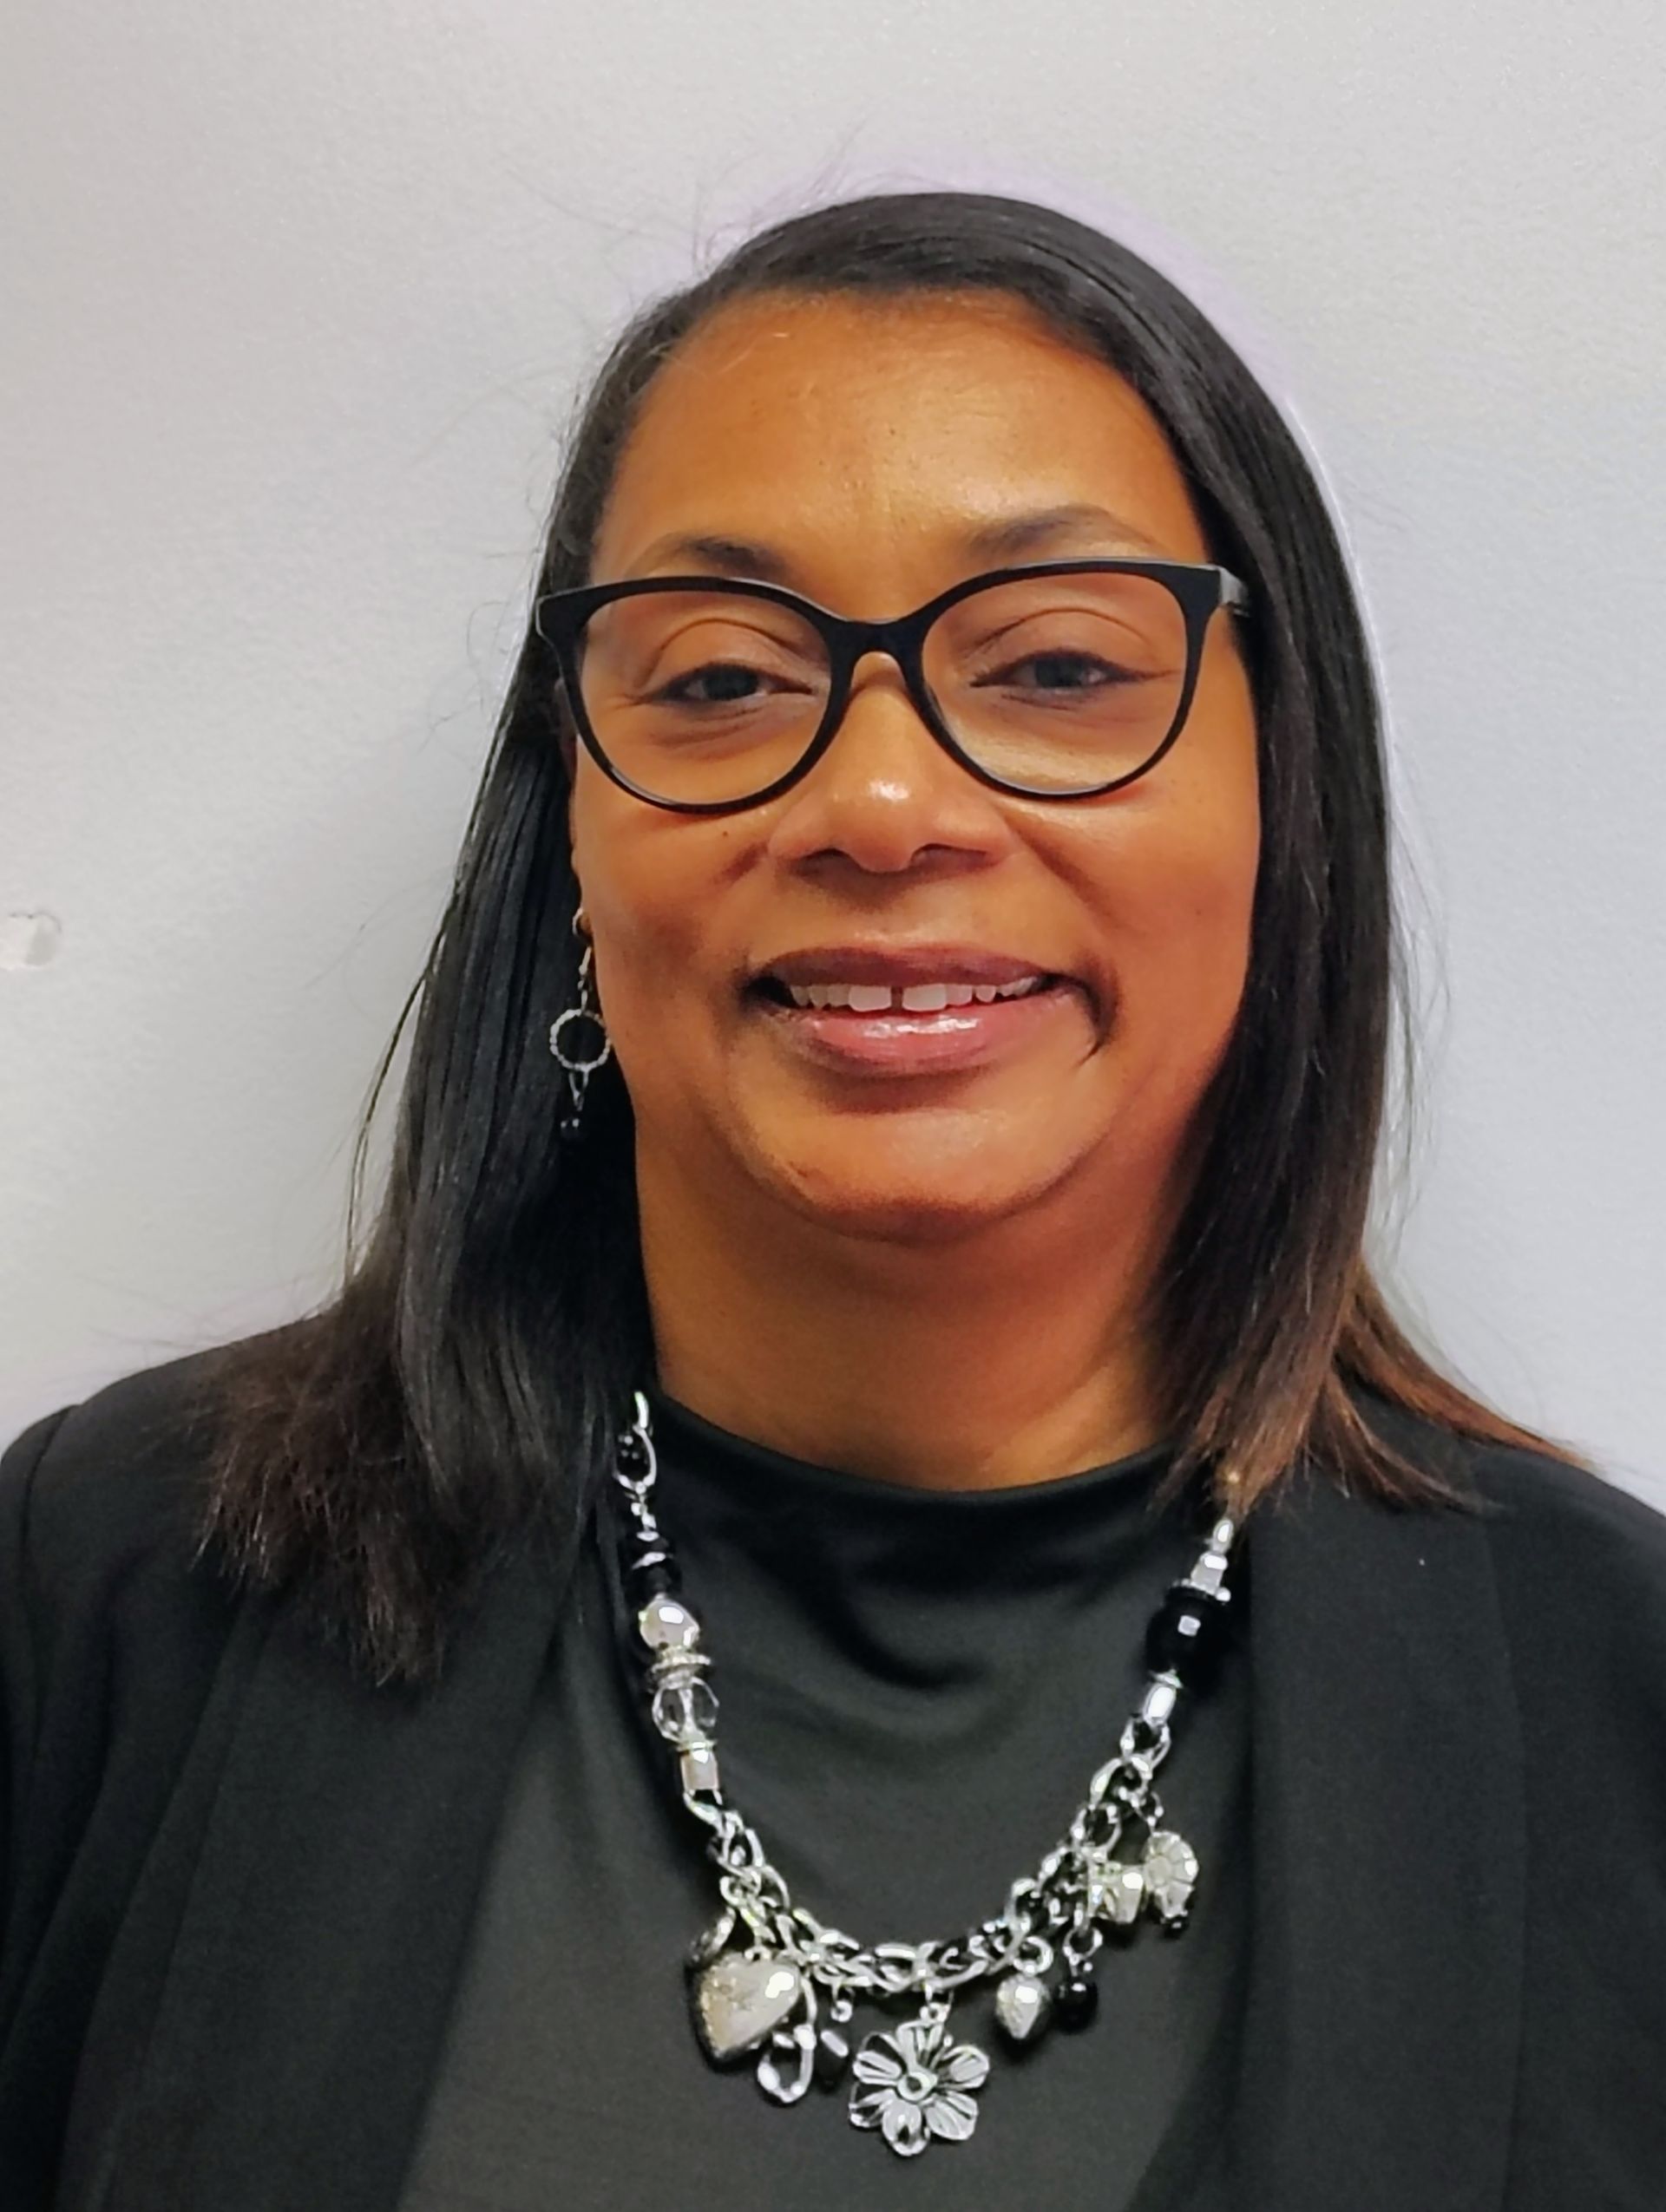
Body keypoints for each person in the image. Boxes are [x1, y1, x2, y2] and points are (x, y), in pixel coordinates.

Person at [2, 189, 1663, 2212]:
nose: (881, 804)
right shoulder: (109, 1586)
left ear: (1283, 802)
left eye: (1055, 662)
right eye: (720, 680)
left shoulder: (1618, 1699)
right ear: (579, 846)